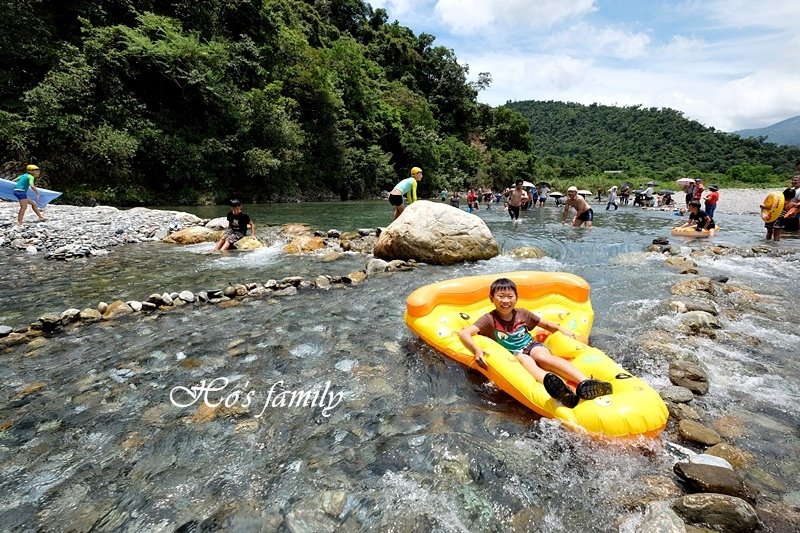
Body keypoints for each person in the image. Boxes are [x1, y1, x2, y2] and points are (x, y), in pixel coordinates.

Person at [458, 278, 613, 408]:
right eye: (501, 296)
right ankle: (563, 392)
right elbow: (465, 333)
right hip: (514, 354)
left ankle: (586, 382)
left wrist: (561, 329)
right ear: (492, 299)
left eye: (510, 296)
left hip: (531, 346)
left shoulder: (522, 314)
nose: (506, 300)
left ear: (516, 298)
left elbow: (544, 324)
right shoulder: (488, 319)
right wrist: (476, 350)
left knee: (542, 357)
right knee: (525, 360)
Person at [761, 173, 799, 241]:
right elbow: (795, 208)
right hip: (779, 220)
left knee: (769, 232)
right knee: (777, 235)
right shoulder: (791, 204)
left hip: (770, 217)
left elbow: (770, 208)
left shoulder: (777, 202)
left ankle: (767, 243)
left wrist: (763, 207)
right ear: (792, 197)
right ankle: (776, 246)